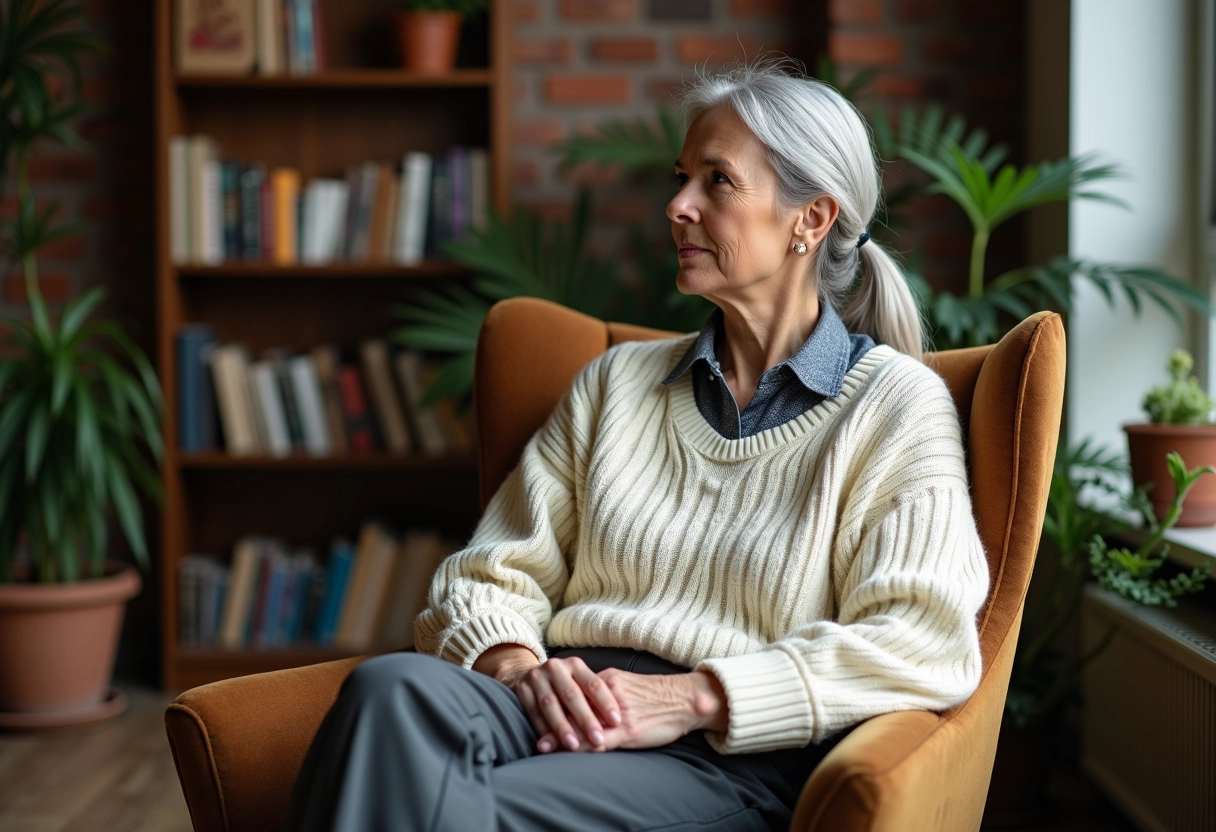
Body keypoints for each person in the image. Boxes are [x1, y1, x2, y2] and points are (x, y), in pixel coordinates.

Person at [288, 58, 990, 832]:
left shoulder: (894, 405)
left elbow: (923, 641)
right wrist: (520, 669)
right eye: (680, 177)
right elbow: (486, 577)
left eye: (716, 181)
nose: (677, 206)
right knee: (386, 689)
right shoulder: (615, 384)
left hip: (717, 754)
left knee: (455, 809)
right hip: (556, 700)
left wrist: (691, 698)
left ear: (810, 219)